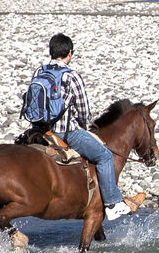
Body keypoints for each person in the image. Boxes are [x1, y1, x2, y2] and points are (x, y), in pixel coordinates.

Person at [30, 34, 143, 221]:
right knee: (105, 155)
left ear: (51, 51)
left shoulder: (39, 72)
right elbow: (83, 111)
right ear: (70, 53)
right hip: (65, 131)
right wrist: (82, 126)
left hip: (39, 129)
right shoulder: (71, 76)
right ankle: (113, 203)